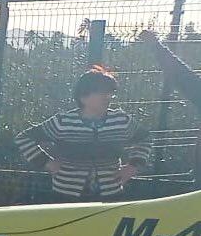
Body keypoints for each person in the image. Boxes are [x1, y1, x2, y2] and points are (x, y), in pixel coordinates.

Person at [14, 65, 152, 201]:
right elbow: (24, 138)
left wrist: (132, 166)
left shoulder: (121, 120)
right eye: (101, 92)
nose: (107, 97)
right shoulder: (63, 122)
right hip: (66, 195)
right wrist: (47, 163)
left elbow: (145, 138)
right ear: (83, 97)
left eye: (110, 92)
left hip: (110, 194)